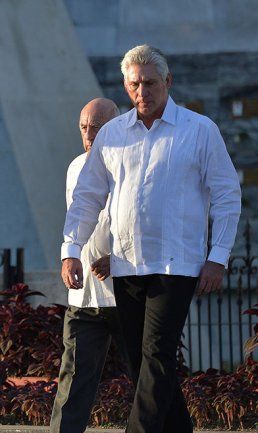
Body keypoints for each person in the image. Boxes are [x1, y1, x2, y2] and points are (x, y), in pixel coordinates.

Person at [61, 45, 241, 433]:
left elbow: (227, 194)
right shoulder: (112, 135)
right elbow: (87, 196)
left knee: (157, 354)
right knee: (143, 363)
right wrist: (71, 249)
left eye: (150, 83)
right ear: (125, 86)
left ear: (167, 81)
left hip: (177, 265)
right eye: (134, 84)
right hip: (126, 264)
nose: (142, 92)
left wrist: (218, 256)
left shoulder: (199, 130)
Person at [50, 98, 125, 433]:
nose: (89, 134)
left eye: (97, 126)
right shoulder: (76, 167)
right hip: (84, 297)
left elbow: (146, 223)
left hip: (127, 291)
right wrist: (69, 256)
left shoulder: (132, 163)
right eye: (84, 127)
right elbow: (76, 219)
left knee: (147, 377)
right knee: (73, 377)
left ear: (116, 126)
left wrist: (119, 257)